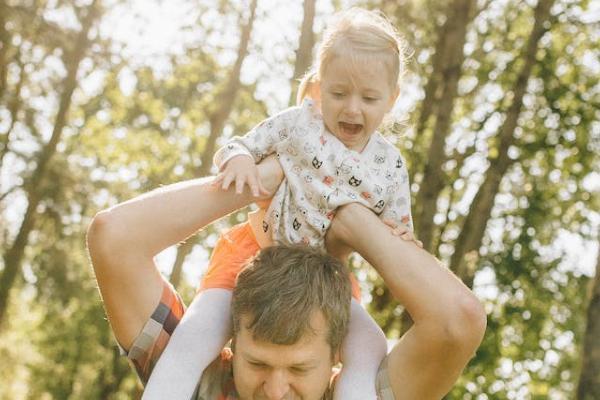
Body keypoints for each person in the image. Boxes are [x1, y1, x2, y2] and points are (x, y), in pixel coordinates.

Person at [144, 8, 419, 399]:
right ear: (319, 88)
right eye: (339, 93)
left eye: (369, 97)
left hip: (325, 277)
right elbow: (239, 146)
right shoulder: (299, 124)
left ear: (391, 100)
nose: (352, 108)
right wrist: (240, 162)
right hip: (253, 255)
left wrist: (402, 236)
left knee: (370, 345)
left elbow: (396, 224)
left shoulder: (389, 165)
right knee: (195, 336)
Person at [86, 157, 487, 399]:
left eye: (298, 370)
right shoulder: (197, 382)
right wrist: (263, 181)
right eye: (257, 363)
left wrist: (352, 220)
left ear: (336, 355)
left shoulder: (355, 392)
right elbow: (113, 238)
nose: (276, 391)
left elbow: (459, 321)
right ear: (231, 340)